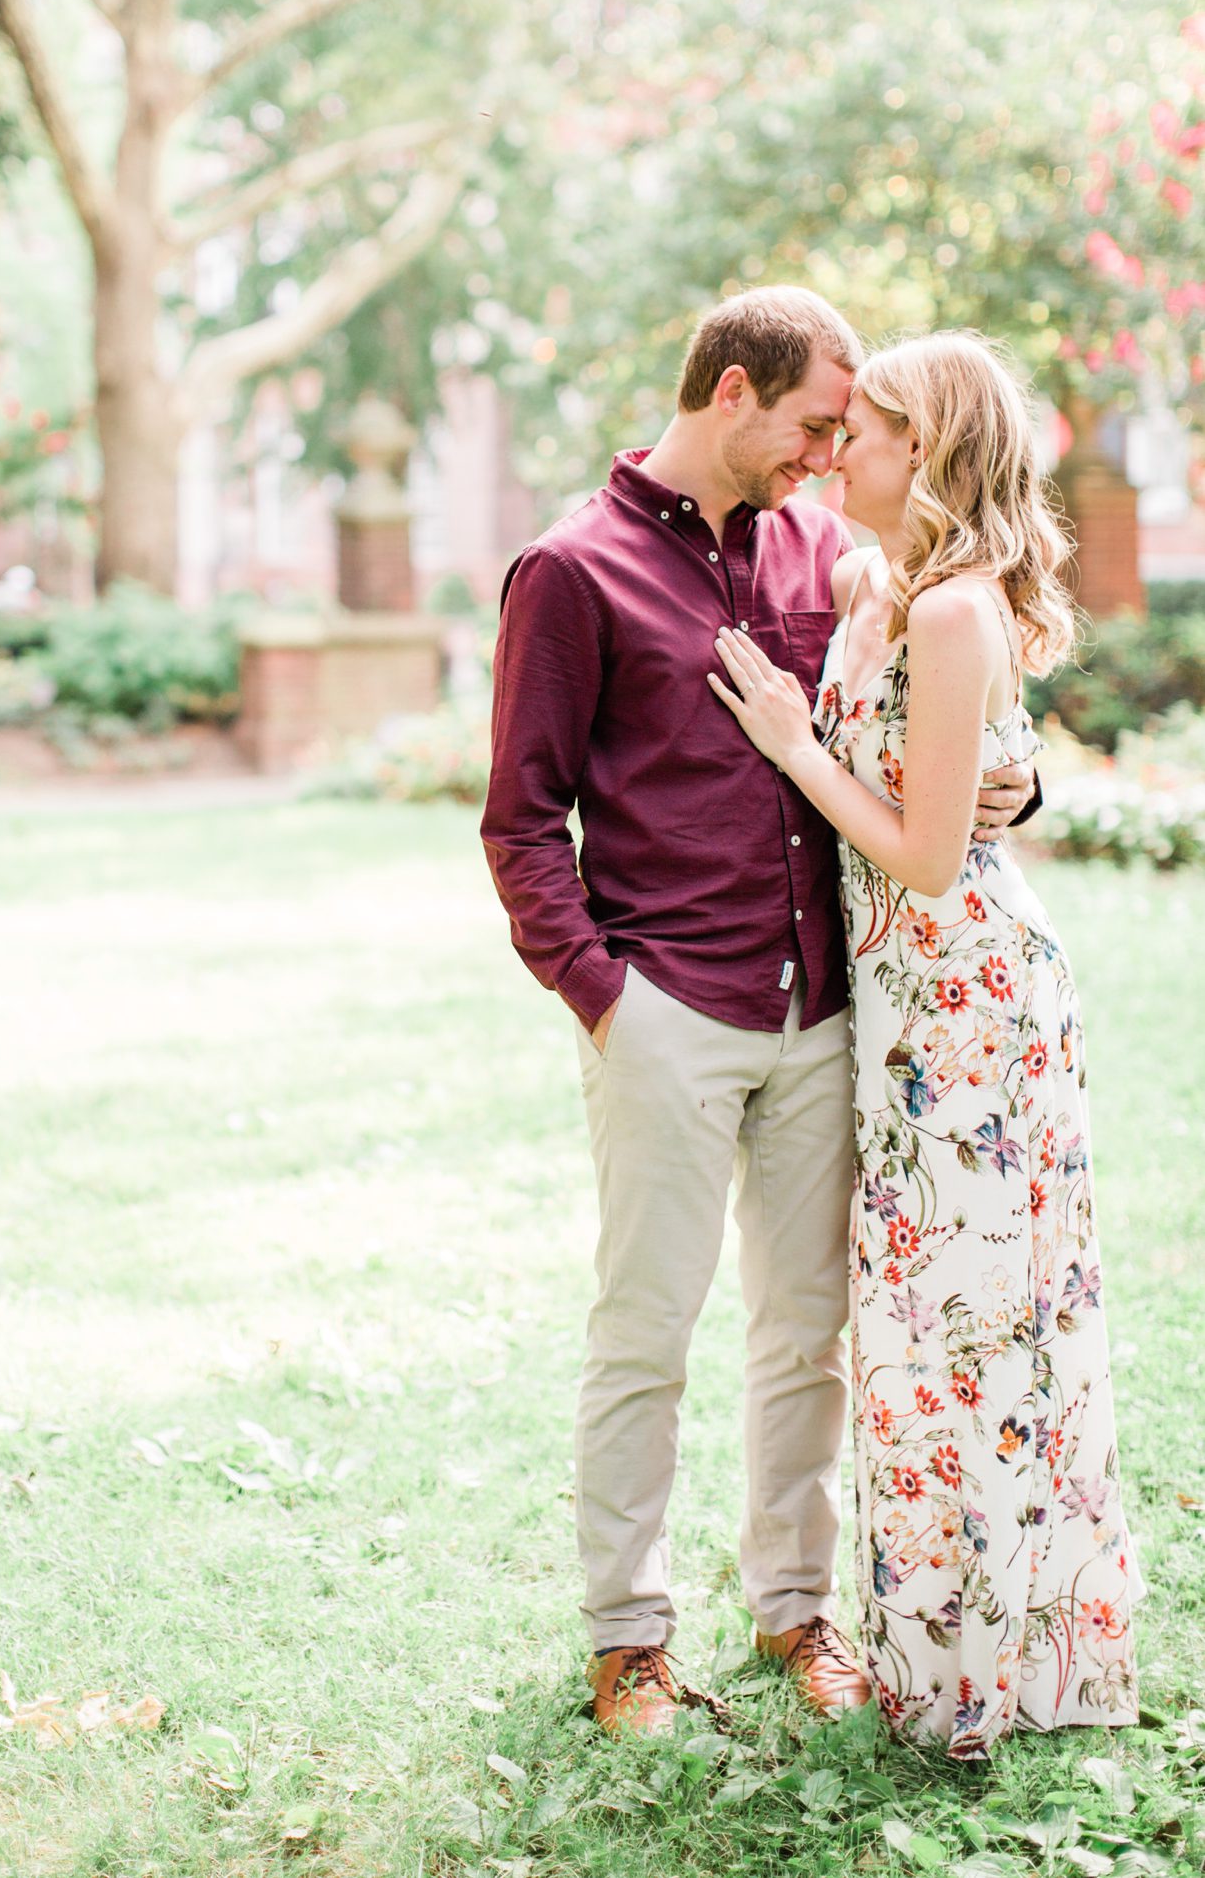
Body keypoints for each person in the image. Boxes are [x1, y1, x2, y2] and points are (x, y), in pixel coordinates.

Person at [481, 289, 1035, 1737]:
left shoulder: (826, 550)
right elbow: (522, 821)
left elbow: (942, 692)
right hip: (669, 1006)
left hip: (829, 1015)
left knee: (806, 1335)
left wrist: (1018, 790)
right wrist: (605, 996)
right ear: (733, 392)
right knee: (645, 1329)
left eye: (843, 436)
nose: (825, 455)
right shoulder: (570, 569)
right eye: (810, 426)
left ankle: (797, 1611)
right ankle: (628, 1643)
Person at [709, 331, 1140, 1758]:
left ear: (931, 453)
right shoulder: (878, 588)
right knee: (913, 1328)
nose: (841, 453)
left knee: (968, 1335)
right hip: (901, 1022)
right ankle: (935, 1644)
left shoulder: (954, 609)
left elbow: (932, 852)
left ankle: (986, 1661)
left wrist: (793, 744)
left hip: (969, 1015)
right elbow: (960, 764)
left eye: (871, 431)